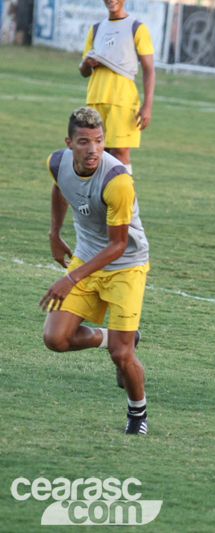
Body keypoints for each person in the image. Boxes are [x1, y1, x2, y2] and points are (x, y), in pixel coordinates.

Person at [40, 107, 151, 435]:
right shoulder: (57, 163)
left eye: (99, 141)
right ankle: (112, 339)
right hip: (88, 257)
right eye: (84, 142)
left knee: (122, 355)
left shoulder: (117, 181)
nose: (93, 150)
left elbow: (118, 245)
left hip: (126, 266)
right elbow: (61, 187)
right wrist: (55, 234)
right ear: (69, 143)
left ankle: (137, 414)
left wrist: (71, 278)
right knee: (55, 338)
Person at [78, 0, 155, 177]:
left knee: (120, 154)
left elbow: (149, 68)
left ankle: (127, 202)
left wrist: (147, 105)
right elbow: (83, 71)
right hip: (96, 99)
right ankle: (103, 202)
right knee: (97, 155)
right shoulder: (96, 29)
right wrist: (86, 63)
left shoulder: (137, 28)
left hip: (123, 102)